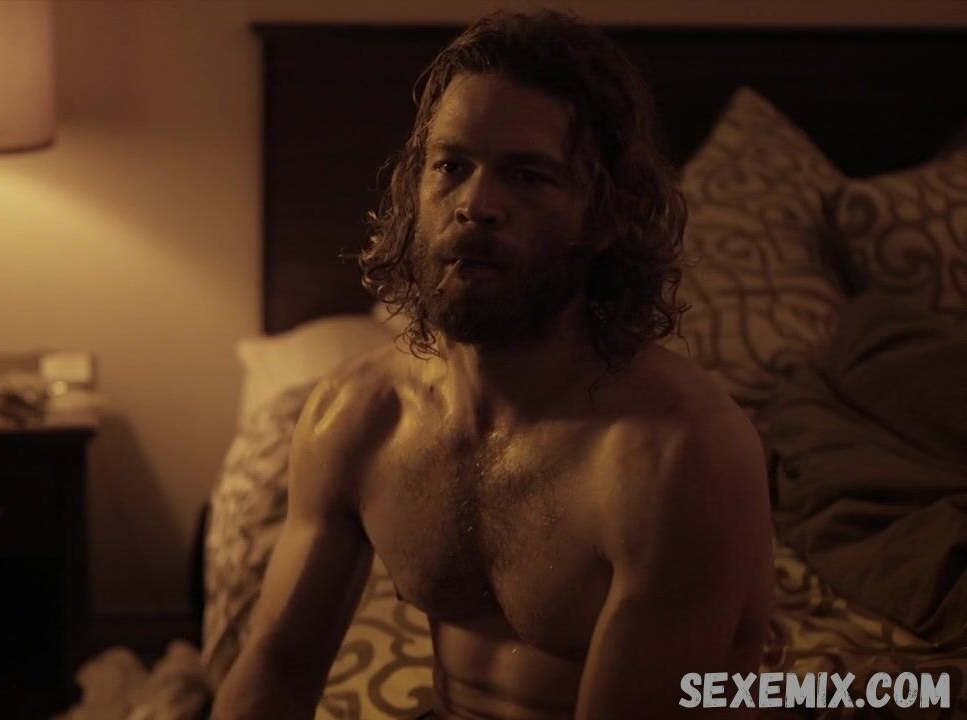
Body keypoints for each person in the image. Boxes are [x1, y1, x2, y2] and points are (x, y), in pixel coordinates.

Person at [212, 9, 773, 720]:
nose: (476, 205)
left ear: (605, 217)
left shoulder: (677, 453)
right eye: (451, 167)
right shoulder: (357, 415)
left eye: (528, 176)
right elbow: (277, 669)